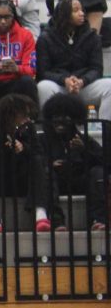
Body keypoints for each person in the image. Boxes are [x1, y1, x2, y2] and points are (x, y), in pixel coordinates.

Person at [0, 94, 55, 232]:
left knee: (38, 162)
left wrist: (24, 149)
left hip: (21, 180)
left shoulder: (29, 129)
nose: (27, 119)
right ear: (10, 117)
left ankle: (40, 215)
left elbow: (40, 156)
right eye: (23, 115)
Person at [37, 0, 111, 120]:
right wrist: (64, 80)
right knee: (43, 87)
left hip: (83, 86)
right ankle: (51, 132)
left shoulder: (92, 37)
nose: (82, 13)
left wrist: (82, 81)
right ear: (64, 14)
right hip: (59, 85)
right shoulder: (46, 38)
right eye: (76, 10)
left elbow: (96, 69)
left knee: (109, 86)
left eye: (82, 10)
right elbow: (43, 72)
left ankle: (105, 133)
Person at [42, 93, 107, 231]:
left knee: (98, 172)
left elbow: (105, 161)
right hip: (55, 182)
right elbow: (32, 161)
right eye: (55, 116)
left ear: (74, 118)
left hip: (79, 181)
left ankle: (97, 220)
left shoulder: (83, 139)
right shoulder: (43, 140)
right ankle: (57, 221)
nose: (60, 120)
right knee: (45, 173)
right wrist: (49, 164)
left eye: (65, 116)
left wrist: (84, 150)